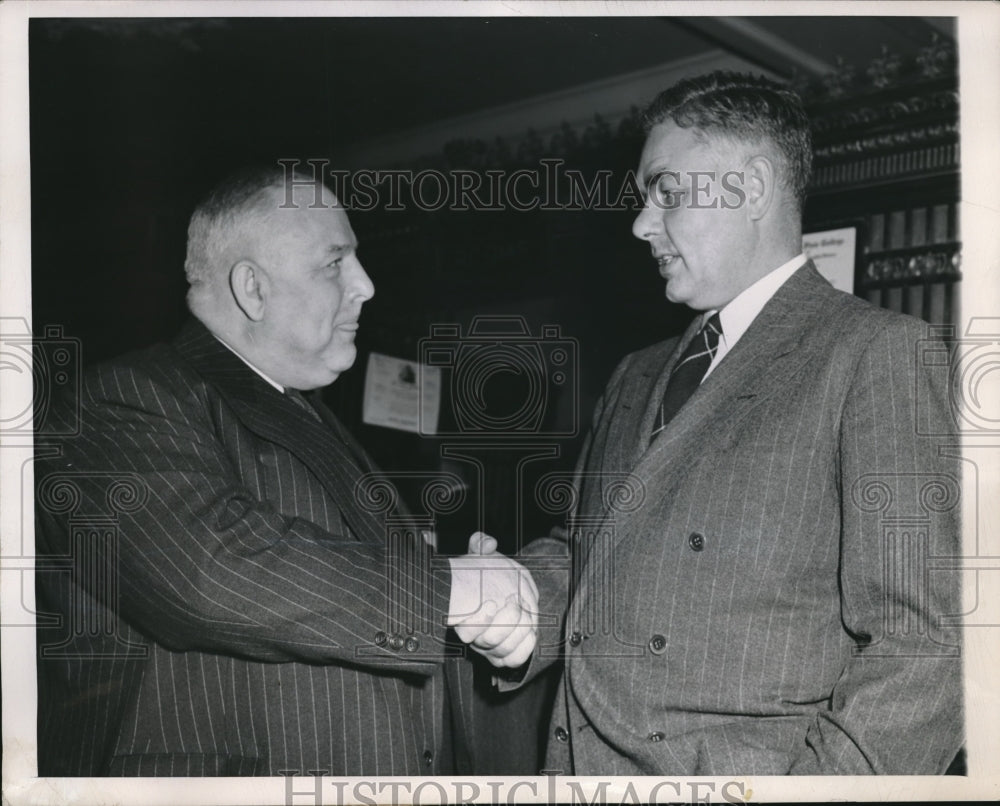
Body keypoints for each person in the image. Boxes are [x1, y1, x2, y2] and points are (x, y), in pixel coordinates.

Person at [498, 71, 963, 775]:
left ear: (748, 188)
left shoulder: (876, 353)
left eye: (665, 191)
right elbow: (598, 555)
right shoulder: (635, 373)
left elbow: (925, 648)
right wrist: (504, 595)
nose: (640, 224)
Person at [33, 165, 537, 776]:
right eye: (335, 262)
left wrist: (477, 610)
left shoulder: (308, 413)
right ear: (253, 288)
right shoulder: (120, 399)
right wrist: (451, 588)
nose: (366, 285)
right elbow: (207, 569)